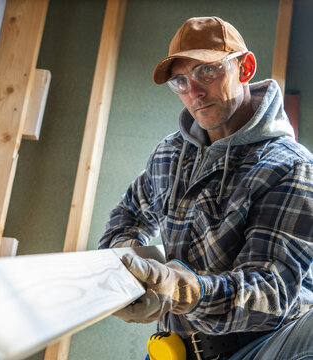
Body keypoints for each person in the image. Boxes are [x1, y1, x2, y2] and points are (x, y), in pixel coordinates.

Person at [98, 16, 313, 360]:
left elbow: (269, 292)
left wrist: (187, 291)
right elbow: (128, 217)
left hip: (262, 349)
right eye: (180, 81)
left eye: (206, 72)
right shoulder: (170, 154)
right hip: (175, 351)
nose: (193, 91)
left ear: (245, 67)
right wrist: (130, 273)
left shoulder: (290, 166)